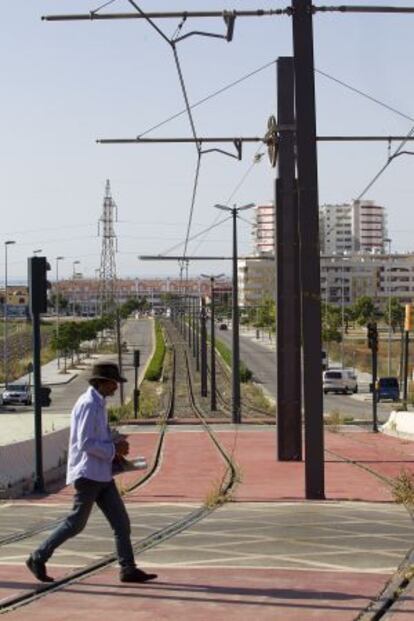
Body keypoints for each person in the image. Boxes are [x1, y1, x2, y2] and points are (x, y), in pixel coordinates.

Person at [26, 362, 157, 584]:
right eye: (114, 383)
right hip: (88, 474)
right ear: (102, 382)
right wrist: (114, 449)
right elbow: (86, 442)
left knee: (121, 523)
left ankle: (128, 568)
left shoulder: (98, 404)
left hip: (102, 474)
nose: (116, 387)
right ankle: (38, 557)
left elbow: (98, 439)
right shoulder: (88, 404)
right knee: (76, 523)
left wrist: (116, 451)